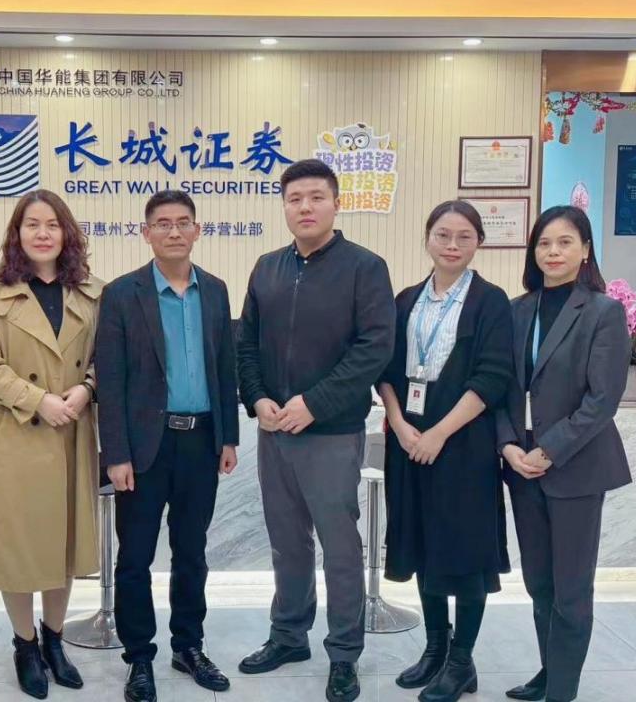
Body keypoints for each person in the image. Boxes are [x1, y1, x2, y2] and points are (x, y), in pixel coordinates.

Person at [236, 158, 396, 702]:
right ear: (284, 206)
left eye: (316, 197)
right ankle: (288, 636)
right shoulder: (267, 267)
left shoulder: (365, 268)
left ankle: (344, 653)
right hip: (274, 431)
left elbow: (374, 349)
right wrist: (258, 398)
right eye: (294, 199)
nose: (305, 207)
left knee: (340, 547)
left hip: (331, 433)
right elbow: (246, 343)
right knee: (286, 543)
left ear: (336, 203)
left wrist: (314, 404)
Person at [96, 190, 239, 702]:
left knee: (192, 552)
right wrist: (116, 454)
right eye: (162, 223)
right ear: (146, 232)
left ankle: (188, 646)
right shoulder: (121, 294)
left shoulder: (216, 291)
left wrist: (228, 436)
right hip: (142, 450)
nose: (174, 231)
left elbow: (225, 367)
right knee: (135, 557)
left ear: (197, 230)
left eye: (183, 222)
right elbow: (110, 380)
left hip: (201, 442)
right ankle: (139, 657)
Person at [0, 190, 103, 700]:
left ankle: (54, 640)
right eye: (32, 224)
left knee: (62, 546)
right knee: (18, 547)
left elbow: (109, 357)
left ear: (67, 233)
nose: (43, 233)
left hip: (71, 435)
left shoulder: (93, 294)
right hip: (14, 438)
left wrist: (86, 389)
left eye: (52, 224)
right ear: (16, 234)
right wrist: (38, 399)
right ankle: (24, 644)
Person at [376, 201, 514, 702]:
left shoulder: (491, 301)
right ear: (427, 238)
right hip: (408, 440)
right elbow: (386, 370)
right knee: (421, 543)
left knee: (465, 550)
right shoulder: (406, 299)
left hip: (464, 443)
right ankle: (435, 649)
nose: (452, 245)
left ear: (478, 243)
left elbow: (493, 377)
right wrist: (399, 424)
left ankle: (461, 663)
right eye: (442, 234)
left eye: (463, 236)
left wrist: (439, 433)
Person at [497, 205, 631, 702]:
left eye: (565, 242)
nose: (553, 252)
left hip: (574, 464)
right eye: (544, 243)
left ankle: (563, 689)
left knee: (571, 587)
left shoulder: (603, 311)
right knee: (539, 582)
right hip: (521, 464)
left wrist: (549, 450)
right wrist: (509, 445)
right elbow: (502, 388)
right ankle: (549, 671)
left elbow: (602, 400)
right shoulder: (518, 310)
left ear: (585, 250)